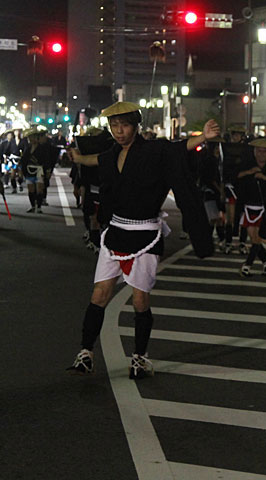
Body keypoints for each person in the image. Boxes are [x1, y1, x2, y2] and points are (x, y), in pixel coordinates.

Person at [66, 101, 218, 379]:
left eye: (124, 125)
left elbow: (177, 148)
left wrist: (202, 137)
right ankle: (85, 352)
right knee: (99, 295)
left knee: (140, 301)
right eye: (114, 126)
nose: (119, 131)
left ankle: (139, 357)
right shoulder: (112, 154)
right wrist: (77, 159)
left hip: (145, 233)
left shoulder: (154, 150)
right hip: (115, 232)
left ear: (136, 126)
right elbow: (95, 160)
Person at [237, 138, 266, 277]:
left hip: (265, 206)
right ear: (254, 151)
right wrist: (250, 172)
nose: (262, 154)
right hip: (249, 204)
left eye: (265, 151)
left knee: (257, 237)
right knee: (254, 237)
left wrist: (263, 177)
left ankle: (247, 265)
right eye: (259, 151)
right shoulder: (247, 164)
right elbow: (237, 177)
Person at [19, 127, 54, 213]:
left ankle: (38, 207)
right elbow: (23, 160)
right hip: (29, 170)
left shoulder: (42, 148)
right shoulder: (28, 149)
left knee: (39, 189)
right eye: (30, 138)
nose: (31, 139)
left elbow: (47, 160)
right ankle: (32, 206)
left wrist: (48, 171)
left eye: (33, 137)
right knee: (31, 190)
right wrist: (21, 171)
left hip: (39, 170)